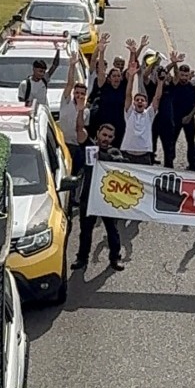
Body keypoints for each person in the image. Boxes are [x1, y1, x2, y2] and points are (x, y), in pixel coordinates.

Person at [72, 107, 125, 273]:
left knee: (112, 230)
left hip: (107, 199)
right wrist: (80, 110)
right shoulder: (90, 147)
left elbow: (119, 164)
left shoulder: (115, 152)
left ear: (113, 139)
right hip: (88, 198)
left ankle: (115, 258)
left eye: (109, 137)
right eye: (104, 135)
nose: (106, 139)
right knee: (85, 232)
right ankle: (82, 258)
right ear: (98, 134)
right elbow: (79, 130)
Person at [120, 48, 162, 163]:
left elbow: (157, 97)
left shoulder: (149, 115)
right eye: (137, 100)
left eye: (142, 100)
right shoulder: (129, 113)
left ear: (146, 104)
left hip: (144, 156)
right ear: (134, 102)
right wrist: (131, 76)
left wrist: (160, 82)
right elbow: (128, 94)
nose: (139, 102)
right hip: (127, 154)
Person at [161, 53, 195, 170]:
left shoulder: (193, 88)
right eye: (182, 75)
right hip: (175, 119)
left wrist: (190, 116)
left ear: (189, 75)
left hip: (189, 119)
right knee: (171, 142)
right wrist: (174, 63)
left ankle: (192, 165)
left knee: (191, 143)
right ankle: (168, 164)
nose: (183, 77)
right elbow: (170, 73)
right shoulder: (175, 85)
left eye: (186, 75)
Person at [89, 36, 127, 147]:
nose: (116, 78)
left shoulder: (123, 87)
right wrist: (101, 52)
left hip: (118, 126)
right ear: (109, 78)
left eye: (118, 76)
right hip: (102, 124)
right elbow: (100, 71)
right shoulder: (104, 86)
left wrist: (134, 53)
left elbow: (131, 72)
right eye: (114, 76)